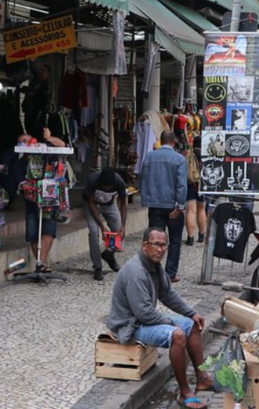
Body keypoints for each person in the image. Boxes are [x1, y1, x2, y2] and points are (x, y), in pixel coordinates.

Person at [106, 228, 212, 409]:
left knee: (192, 324)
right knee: (177, 335)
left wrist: (191, 313)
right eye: (156, 244)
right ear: (144, 246)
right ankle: (184, 391)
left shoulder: (155, 266)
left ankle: (202, 378)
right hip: (129, 326)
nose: (160, 249)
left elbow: (168, 294)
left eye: (164, 245)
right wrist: (172, 323)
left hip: (142, 320)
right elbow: (144, 313)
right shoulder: (136, 272)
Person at [140, 131, 188, 282]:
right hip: (172, 204)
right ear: (173, 141)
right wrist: (180, 206)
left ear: (161, 141)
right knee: (174, 240)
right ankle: (169, 273)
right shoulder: (179, 159)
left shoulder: (149, 157)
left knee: (153, 239)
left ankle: (151, 270)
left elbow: (143, 179)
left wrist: (145, 200)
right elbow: (181, 185)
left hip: (154, 204)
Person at [19, 127, 68, 272]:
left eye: (26, 140)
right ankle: (41, 263)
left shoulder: (44, 150)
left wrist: (49, 138)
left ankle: (41, 263)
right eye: (21, 142)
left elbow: (62, 145)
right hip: (30, 197)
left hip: (49, 192)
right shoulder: (19, 162)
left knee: (48, 227)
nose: (25, 144)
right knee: (33, 230)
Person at [84, 167, 128, 281]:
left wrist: (123, 225)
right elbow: (90, 203)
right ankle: (97, 267)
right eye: (105, 186)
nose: (107, 188)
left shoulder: (119, 182)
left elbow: (123, 203)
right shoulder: (92, 180)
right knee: (94, 231)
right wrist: (102, 226)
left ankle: (109, 255)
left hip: (109, 205)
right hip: (92, 205)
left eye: (109, 187)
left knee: (119, 233)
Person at [184, 147, 207, 246]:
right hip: (203, 185)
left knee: (191, 211)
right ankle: (201, 235)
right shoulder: (206, 154)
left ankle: (190, 238)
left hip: (191, 183)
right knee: (201, 209)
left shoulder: (190, 153)